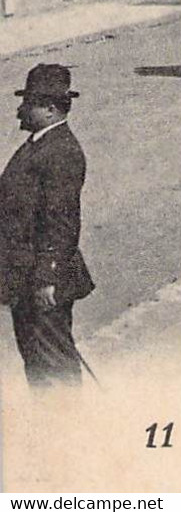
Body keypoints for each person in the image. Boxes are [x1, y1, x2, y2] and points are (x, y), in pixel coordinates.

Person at [2, 64, 94, 387]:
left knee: (53, 364)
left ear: (50, 109)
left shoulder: (61, 152)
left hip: (42, 280)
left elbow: (61, 222)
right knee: (39, 363)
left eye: (27, 104)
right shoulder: (40, 144)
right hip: (25, 275)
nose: (19, 110)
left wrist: (47, 279)